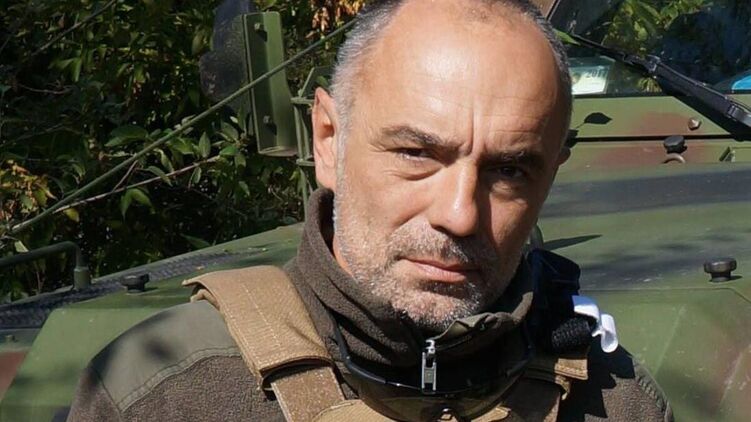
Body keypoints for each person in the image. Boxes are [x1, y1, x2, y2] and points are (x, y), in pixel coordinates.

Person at [66, 0, 673, 420]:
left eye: (509, 170)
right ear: (329, 141)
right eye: (416, 154)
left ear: (551, 175)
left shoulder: (613, 401)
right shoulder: (169, 394)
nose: (460, 215)